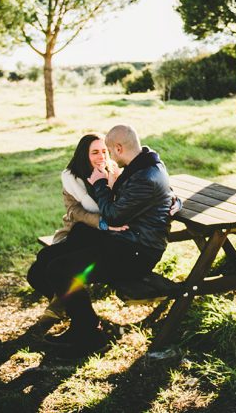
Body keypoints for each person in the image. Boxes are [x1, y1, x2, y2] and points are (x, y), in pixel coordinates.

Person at [28, 124, 174, 357]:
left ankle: (90, 335)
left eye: (107, 150)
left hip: (136, 252)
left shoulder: (145, 175)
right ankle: (73, 310)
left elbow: (112, 214)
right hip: (124, 240)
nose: (106, 156)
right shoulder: (143, 163)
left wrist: (99, 184)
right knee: (47, 259)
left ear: (118, 148)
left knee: (60, 270)